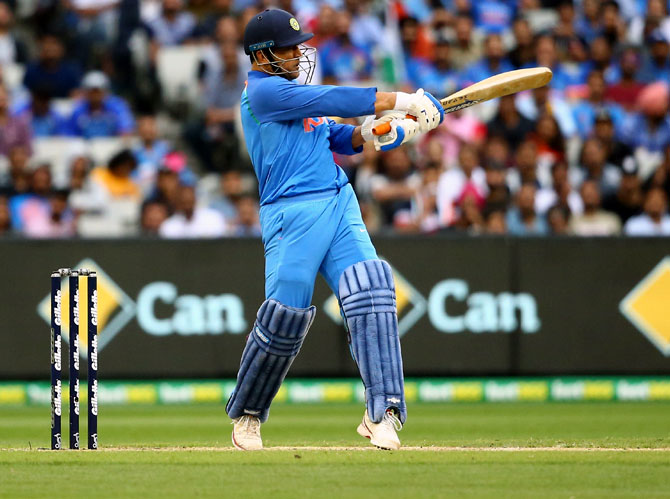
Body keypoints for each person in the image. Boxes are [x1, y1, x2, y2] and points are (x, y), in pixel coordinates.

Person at [226, 9, 443, 452]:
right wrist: (401, 101)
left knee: (373, 289)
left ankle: (382, 413)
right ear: (262, 54)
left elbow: (340, 138)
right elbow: (332, 99)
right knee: (284, 316)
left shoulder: (295, 95)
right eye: (288, 48)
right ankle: (248, 414)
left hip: (337, 201)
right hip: (290, 213)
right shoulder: (262, 93)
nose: (297, 53)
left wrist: (386, 132)